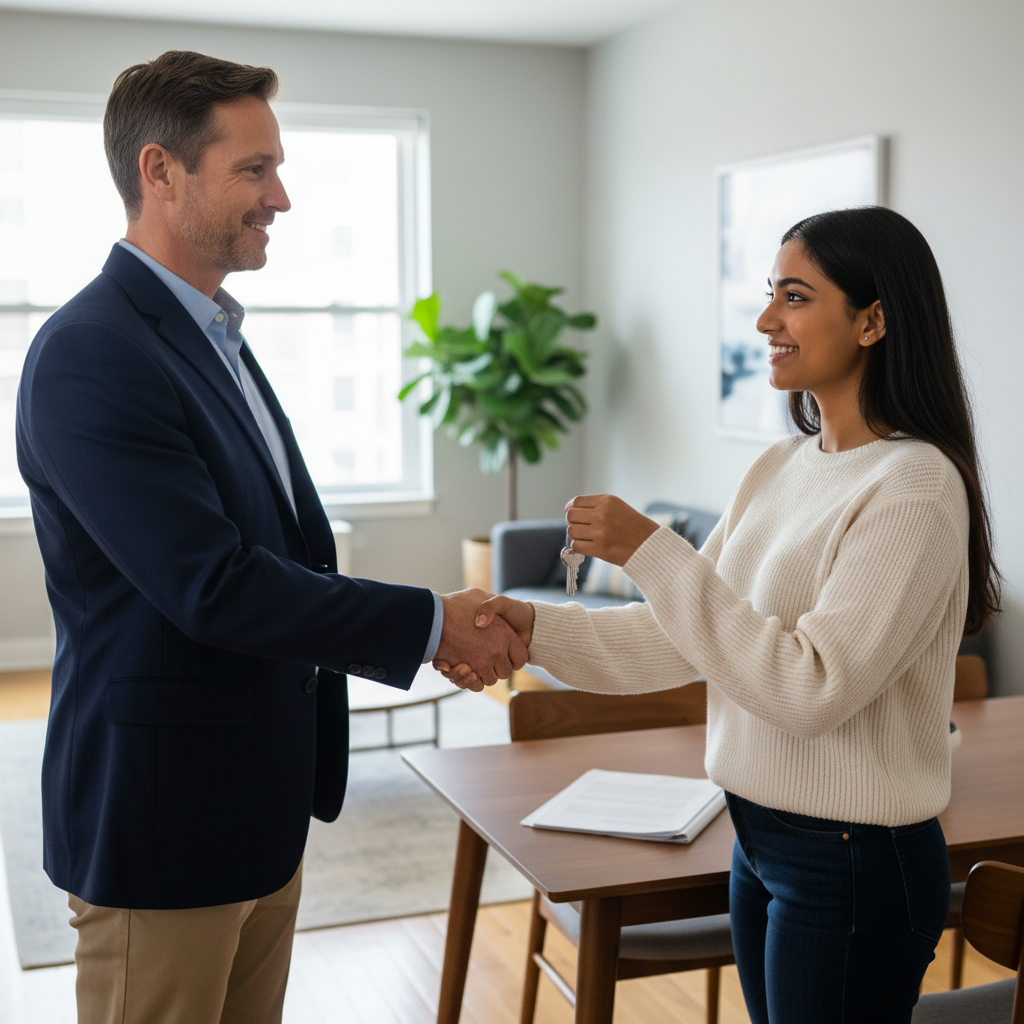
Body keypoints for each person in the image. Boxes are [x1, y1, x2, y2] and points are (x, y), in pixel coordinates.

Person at [16, 50, 526, 1024]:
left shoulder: (213, 333)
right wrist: (430, 623)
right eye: (253, 170)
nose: (281, 196)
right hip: (160, 821)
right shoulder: (92, 352)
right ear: (160, 172)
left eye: (276, 167)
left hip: (253, 807)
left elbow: (283, 550)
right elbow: (212, 582)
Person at [441, 206, 1001, 1022]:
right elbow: (688, 637)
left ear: (874, 320)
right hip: (759, 839)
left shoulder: (913, 488)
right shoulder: (779, 466)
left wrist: (650, 549)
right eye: (771, 294)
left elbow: (811, 689)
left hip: (851, 858)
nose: (768, 320)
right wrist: (531, 630)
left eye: (797, 298)